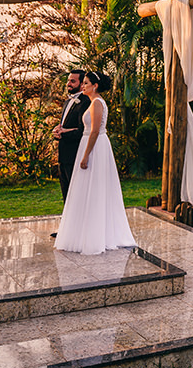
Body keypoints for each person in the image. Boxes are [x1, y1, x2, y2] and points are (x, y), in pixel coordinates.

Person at [55, 72, 136, 255]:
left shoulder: (98, 103)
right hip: (88, 144)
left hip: (95, 147)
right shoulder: (93, 103)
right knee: (84, 190)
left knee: (94, 189)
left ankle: (95, 235)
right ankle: (83, 231)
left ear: (95, 86)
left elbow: (94, 131)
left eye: (86, 83)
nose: (83, 86)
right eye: (82, 83)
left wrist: (85, 156)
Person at [51, 69, 90, 219]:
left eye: (73, 81)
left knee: (76, 196)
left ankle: (76, 230)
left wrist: (65, 133)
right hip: (63, 154)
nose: (68, 83)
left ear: (81, 84)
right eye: (68, 80)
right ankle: (67, 231)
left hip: (75, 155)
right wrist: (57, 131)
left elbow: (82, 131)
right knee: (66, 195)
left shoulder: (86, 102)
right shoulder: (68, 101)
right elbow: (66, 126)